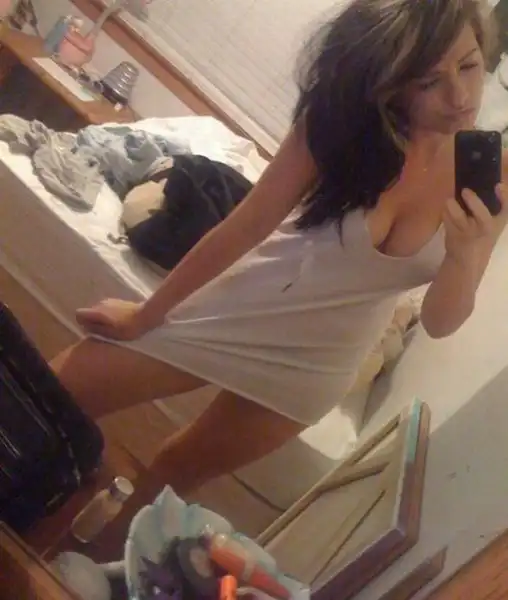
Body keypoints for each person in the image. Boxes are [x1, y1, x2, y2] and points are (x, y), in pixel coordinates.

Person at [52, 0, 508, 505]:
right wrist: (146, 315)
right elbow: (247, 225)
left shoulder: (494, 175)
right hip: (248, 302)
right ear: (391, 83)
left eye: (469, 66)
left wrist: (466, 253)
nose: (461, 96)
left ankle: (97, 551)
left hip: (320, 365)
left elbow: (442, 322)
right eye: (429, 82)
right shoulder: (342, 123)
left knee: (174, 472)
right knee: (58, 392)